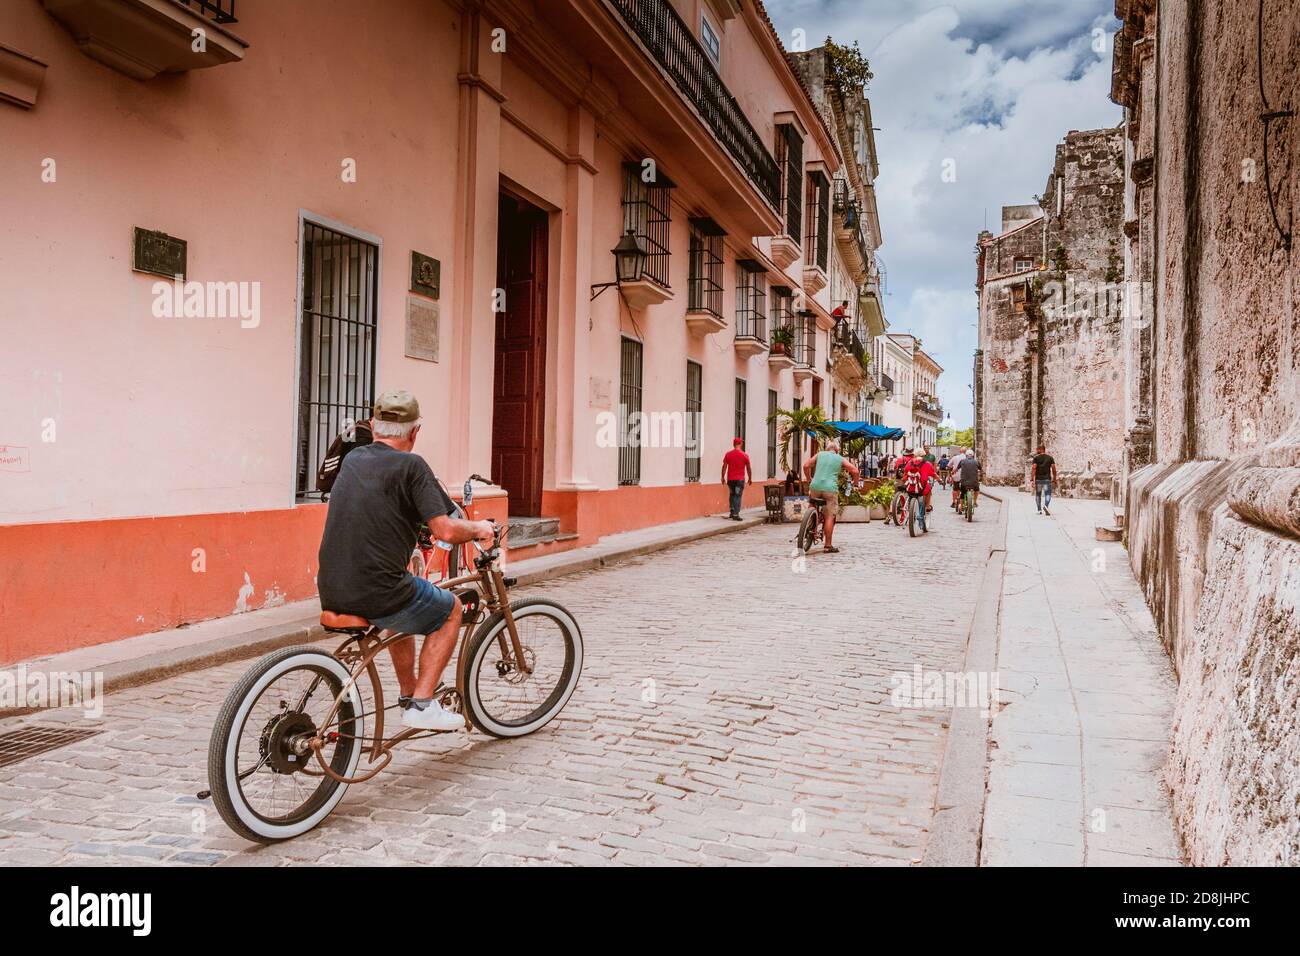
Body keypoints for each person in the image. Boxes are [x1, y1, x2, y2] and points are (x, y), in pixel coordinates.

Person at [317, 389, 495, 732]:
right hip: (377, 590)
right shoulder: (411, 465)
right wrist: (478, 528)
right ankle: (423, 705)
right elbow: (443, 528)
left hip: (331, 586)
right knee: (450, 610)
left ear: (372, 425)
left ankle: (408, 691)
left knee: (409, 600)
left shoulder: (353, 459)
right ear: (415, 432)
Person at [802, 439, 860, 553]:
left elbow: (806, 465)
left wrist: (809, 479)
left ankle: (808, 523)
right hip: (830, 490)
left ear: (826, 449)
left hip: (815, 486)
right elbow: (855, 471)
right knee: (830, 516)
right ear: (837, 450)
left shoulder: (820, 454)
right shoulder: (839, 458)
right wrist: (855, 483)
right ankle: (828, 546)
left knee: (812, 504)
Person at [721, 437, 753, 520]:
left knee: (732, 494)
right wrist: (750, 478)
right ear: (741, 444)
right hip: (739, 480)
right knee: (737, 495)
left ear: (733, 444)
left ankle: (732, 511)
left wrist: (722, 477)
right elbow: (748, 468)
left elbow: (724, 466)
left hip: (730, 480)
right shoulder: (744, 455)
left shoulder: (728, 454)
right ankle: (736, 514)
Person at [901, 448, 937, 514]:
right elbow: (933, 474)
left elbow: (905, 472)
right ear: (924, 455)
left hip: (910, 486)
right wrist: (939, 479)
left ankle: (909, 505)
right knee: (929, 490)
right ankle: (927, 506)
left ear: (915, 455)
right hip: (921, 488)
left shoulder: (910, 462)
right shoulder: (927, 464)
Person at [1029, 444, 1057, 515]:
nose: (1036, 451)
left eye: (1037, 449)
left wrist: (1032, 479)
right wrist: (1054, 479)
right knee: (1048, 494)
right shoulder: (1050, 458)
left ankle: (1039, 510)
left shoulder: (1036, 458)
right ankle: (1046, 506)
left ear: (1041, 449)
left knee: (1038, 494)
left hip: (1038, 480)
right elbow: (1054, 469)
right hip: (1047, 479)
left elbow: (1034, 468)